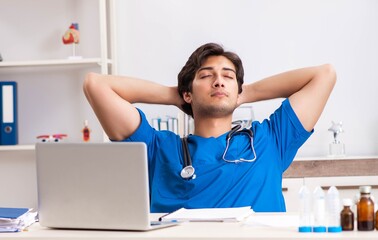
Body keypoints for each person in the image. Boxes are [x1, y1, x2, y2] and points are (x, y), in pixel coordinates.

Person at [83, 43, 336, 213]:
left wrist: (244, 93)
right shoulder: (157, 149)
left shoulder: (270, 140)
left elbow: (324, 75)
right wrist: (178, 95)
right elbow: (95, 85)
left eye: (228, 76)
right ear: (188, 94)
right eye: (206, 76)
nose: (218, 81)